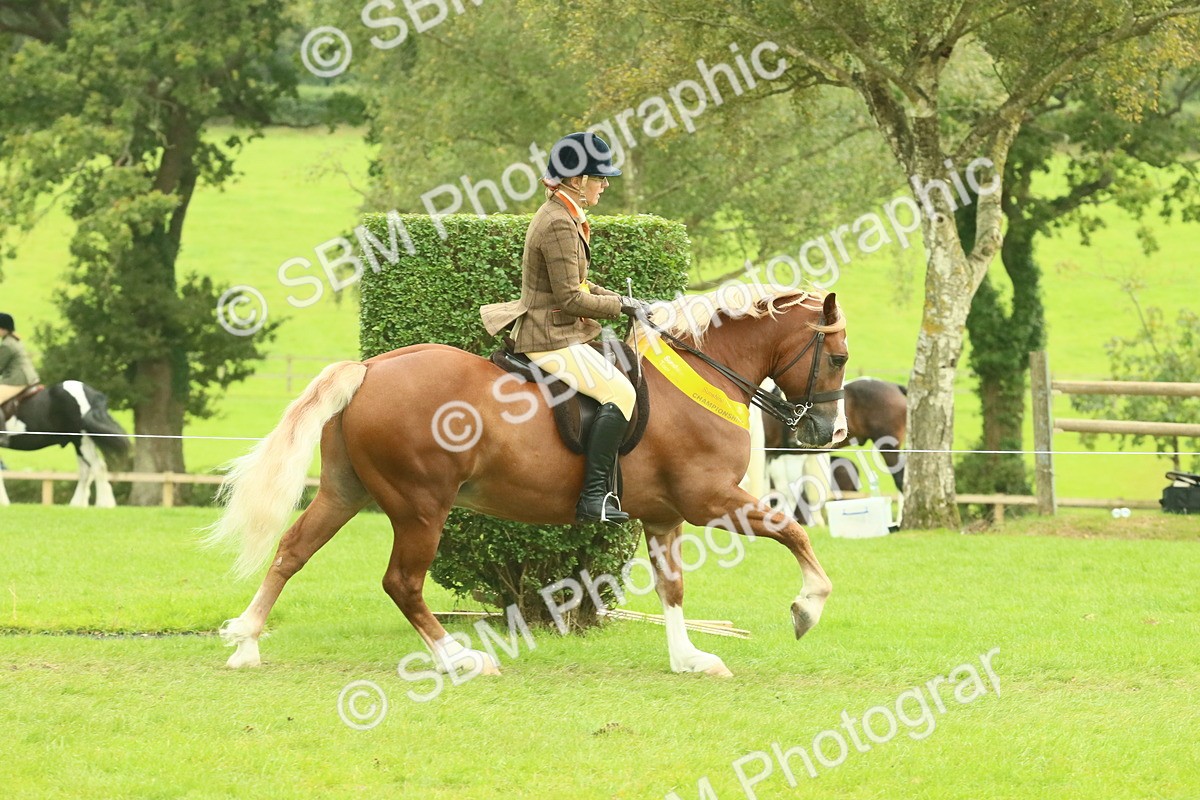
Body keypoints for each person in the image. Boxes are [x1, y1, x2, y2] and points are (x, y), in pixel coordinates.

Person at [480, 132, 648, 524]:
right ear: (577, 179)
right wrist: (621, 306)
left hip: (559, 331)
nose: (605, 185)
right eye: (599, 177)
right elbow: (571, 299)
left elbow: (581, 284)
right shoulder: (557, 222)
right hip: (548, 336)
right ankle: (594, 498)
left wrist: (627, 300)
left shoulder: (565, 213)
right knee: (621, 392)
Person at [0, 312, 41, 445]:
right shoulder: (14, 339)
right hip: (26, 376)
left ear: (3, 328)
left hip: (17, 379)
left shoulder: (7, 345)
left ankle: (2, 436)